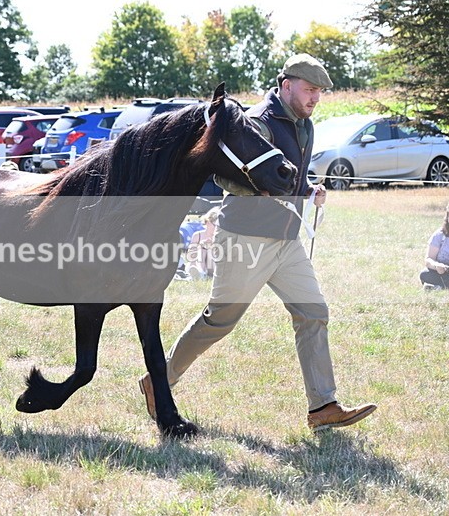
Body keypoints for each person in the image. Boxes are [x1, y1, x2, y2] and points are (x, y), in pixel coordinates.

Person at [138, 54, 376, 432]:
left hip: (287, 240)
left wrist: (307, 188)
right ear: (286, 85)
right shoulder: (257, 121)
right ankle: (159, 381)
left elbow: (287, 174)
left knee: (313, 312)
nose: (316, 97)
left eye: (320, 92)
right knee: (219, 322)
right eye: (310, 89)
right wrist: (260, 189)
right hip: (245, 239)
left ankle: (323, 406)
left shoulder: (305, 124)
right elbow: (225, 178)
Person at [420, 203, 449, 290]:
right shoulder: (439, 235)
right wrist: (436, 265)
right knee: (424, 274)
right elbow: (428, 260)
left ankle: (438, 287)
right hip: (443, 273)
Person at [186, 206, 220, 280]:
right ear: (208, 222)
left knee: (208, 249)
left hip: (212, 265)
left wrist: (212, 246)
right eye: (215, 225)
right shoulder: (197, 235)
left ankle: (201, 274)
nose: (216, 228)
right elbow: (190, 255)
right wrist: (200, 246)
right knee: (201, 249)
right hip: (197, 264)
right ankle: (200, 272)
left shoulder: (218, 236)